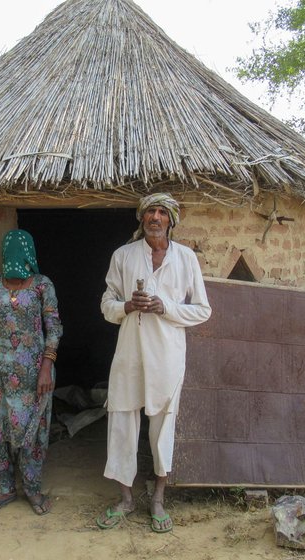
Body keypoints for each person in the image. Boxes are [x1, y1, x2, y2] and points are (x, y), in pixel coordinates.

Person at [97, 193, 212, 533]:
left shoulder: (186, 258)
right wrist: (126, 307)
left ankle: (158, 499)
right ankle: (126, 499)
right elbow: (106, 302)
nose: (156, 218)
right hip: (130, 352)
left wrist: (167, 307)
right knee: (122, 420)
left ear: (171, 220)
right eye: (150, 212)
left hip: (168, 355)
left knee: (163, 424)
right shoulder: (124, 255)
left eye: (162, 213)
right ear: (141, 218)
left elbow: (203, 310)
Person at [0, 229, 63, 516]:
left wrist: (47, 366)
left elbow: (54, 328)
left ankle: (32, 490)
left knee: (32, 431)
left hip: (35, 373)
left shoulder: (42, 286)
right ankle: (6, 489)